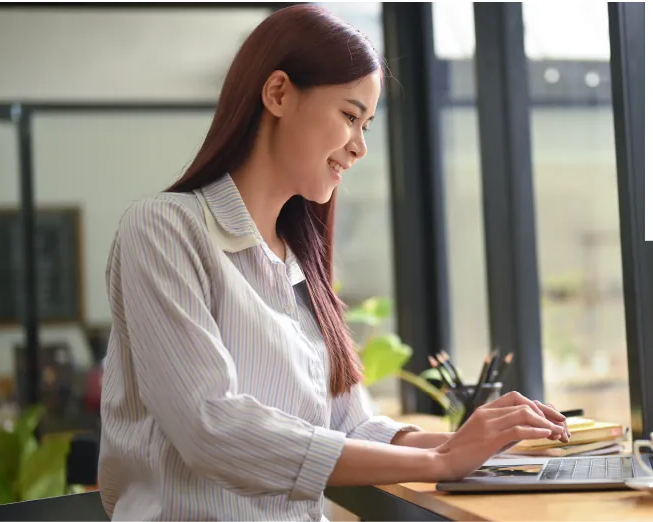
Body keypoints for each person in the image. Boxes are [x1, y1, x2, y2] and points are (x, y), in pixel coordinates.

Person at [98, 4, 569, 521]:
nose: (360, 146)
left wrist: (477, 441)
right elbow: (210, 426)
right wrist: (443, 458)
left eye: (366, 123)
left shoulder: (298, 262)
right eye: (349, 115)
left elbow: (346, 427)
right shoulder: (163, 228)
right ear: (277, 93)